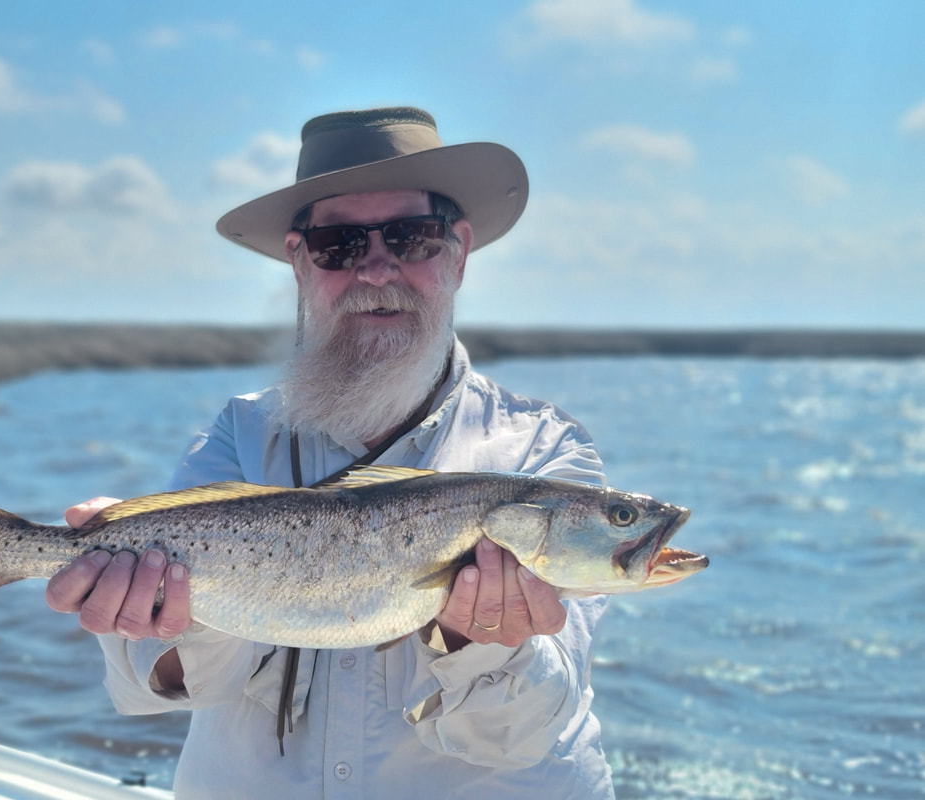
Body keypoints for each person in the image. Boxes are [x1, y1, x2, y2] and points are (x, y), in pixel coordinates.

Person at [46, 107, 615, 799]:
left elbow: (525, 740)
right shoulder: (238, 434)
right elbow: (154, 691)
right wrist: (169, 614)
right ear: (298, 261)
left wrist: (483, 643)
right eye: (339, 245)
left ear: (457, 251)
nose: (377, 268)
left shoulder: (547, 454)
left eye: (411, 238)